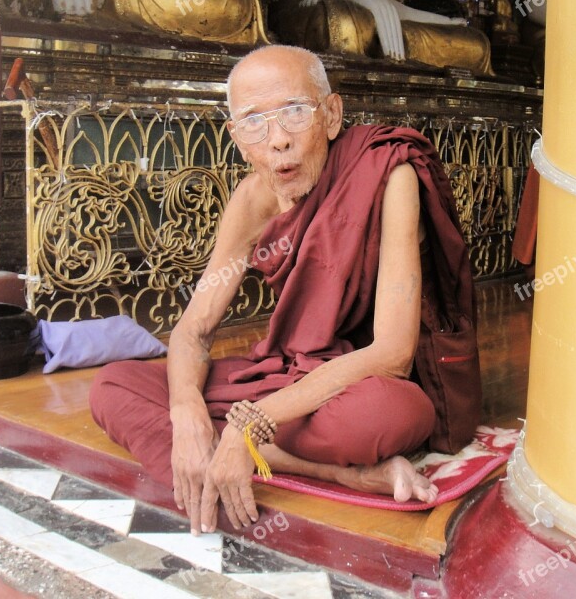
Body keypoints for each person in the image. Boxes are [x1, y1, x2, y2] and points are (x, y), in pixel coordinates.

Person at [90, 45, 480, 536]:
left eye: (295, 112)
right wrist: (187, 411)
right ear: (235, 137)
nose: (277, 141)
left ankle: (249, 450)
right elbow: (194, 328)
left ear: (332, 114)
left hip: (362, 382)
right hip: (290, 377)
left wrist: (249, 423)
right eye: (254, 122)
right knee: (114, 386)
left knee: (386, 415)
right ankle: (342, 474)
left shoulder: (387, 173)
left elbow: (393, 354)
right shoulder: (251, 200)